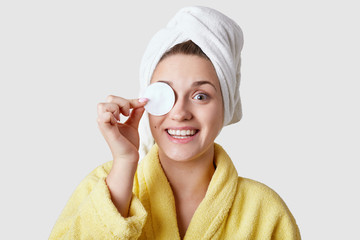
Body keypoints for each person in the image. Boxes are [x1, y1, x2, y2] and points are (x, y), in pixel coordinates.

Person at [49, 6, 301, 240]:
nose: (180, 113)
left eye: (200, 96)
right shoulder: (104, 185)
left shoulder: (264, 211)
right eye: (165, 95)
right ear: (145, 101)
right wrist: (125, 163)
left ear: (226, 105)